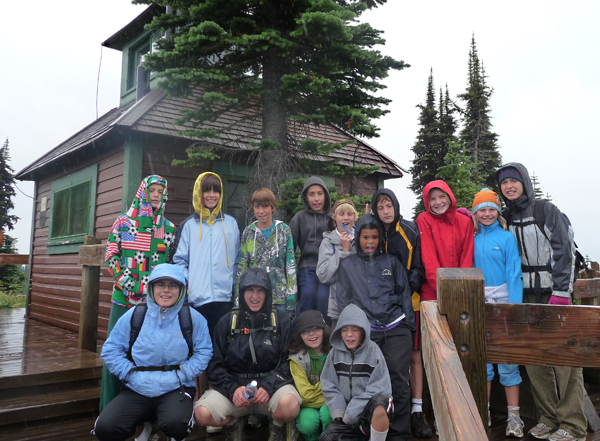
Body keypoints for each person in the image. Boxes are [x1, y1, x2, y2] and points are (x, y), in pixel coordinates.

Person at [496, 163, 586, 441]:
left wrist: (561, 291)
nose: (509, 186)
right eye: (504, 183)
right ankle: (548, 418)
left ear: (524, 182)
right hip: (524, 296)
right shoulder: (505, 217)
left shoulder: (545, 210)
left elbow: (565, 249)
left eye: (513, 181)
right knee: (534, 360)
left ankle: (572, 425)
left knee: (565, 361)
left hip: (552, 294)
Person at [94, 264, 213, 441]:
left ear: (181, 289)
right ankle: (142, 431)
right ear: (151, 288)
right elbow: (111, 350)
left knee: (176, 423)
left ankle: (175, 436)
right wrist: (129, 373)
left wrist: (186, 372)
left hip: (176, 385)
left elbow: (204, 351)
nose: (166, 290)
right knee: (106, 427)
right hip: (137, 385)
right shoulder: (136, 314)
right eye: (160, 285)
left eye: (173, 285)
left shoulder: (191, 317)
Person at [194, 267, 301, 441]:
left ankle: (277, 426)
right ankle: (233, 422)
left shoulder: (280, 321)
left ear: (267, 293)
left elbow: (289, 362)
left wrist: (268, 386)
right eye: (249, 290)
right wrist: (233, 389)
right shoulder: (227, 322)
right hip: (235, 392)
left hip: (270, 391)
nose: (255, 296)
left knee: (290, 405)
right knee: (201, 414)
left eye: (260, 291)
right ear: (242, 292)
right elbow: (215, 366)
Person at [100, 175, 178, 411]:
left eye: (159, 191)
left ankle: (142, 418)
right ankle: (108, 411)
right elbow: (112, 256)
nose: (155, 195)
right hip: (123, 302)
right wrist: (131, 285)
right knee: (116, 355)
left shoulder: (169, 230)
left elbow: (169, 266)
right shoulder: (124, 223)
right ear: (143, 191)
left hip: (154, 308)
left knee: (148, 358)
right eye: (152, 190)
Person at [336, 213, 415, 441]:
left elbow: (404, 295)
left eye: (374, 237)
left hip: (395, 327)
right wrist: (353, 331)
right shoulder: (348, 265)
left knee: (398, 379)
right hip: (367, 331)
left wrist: (408, 326)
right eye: (365, 237)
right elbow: (344, 300)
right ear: (357, 238)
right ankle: (367, 430)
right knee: (364, 381)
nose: (370, 242)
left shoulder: (391, 262)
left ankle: (399, 434)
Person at [173, 171, 240, 399]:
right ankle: (196, 396)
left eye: (216, 190)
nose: (211, 195)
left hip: (223, 298)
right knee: (197, 350)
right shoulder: (189, 226)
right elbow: (179, 260)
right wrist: (190, 285)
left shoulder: (230, 224)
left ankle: (217, 395)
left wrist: (234, 289)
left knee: (220, 349)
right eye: (207, 190)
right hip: (198, 299)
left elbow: (238, 259)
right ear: (199, 193)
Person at [371, 188, 431, 438]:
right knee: (385, 361)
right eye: (381, 207)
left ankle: (416, 412)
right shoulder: (371, 232)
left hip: (408, 304)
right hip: (378, 311)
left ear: (396, 206)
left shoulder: (409, 230)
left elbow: (418, 268)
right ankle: (383, 411)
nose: (386, 211)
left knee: (413, 357)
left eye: (389, 206)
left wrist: (401, 292)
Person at [471, 188, 524, 438]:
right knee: (483, 363)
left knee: (508, 362)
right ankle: (485, 412)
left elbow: (514, 273)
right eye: (482, 209)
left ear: (498, 212)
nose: (487, 213)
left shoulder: (506, 238)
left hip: (503, 306)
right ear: (475, 212)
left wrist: (514, 308)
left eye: (492, 208)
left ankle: (514, 416)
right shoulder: (471, 238)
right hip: (478, 305)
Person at [319, 304, 393, 441]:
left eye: (355, 330)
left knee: (379, 402)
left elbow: (381, 388)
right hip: (347, 416)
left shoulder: (373, 351)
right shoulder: (334, 353)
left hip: (367, 414)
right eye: (344, 330)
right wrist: (339, 409)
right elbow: (328, 384)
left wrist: (354, 409)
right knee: (326, 437)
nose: (349, 335)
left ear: (363, 331)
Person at [237, 187, 296, 316]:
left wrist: (291, 299)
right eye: (257, 207)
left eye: (265, 207)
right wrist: (238, 299)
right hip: (255, 299)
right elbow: (242, 267)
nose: (261, 211)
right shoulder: (248, 232)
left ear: (273, 207)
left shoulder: (284, 230)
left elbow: (290, 265)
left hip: (279, 298)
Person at [416, 180, 474, 301]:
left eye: (442, 196)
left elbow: (466, 259)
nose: (438, 202)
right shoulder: (424, 220)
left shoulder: (465, 222)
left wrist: (461, 288)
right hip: (433, 292)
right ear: (427, 202)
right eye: (432, 199)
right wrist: (443, 289)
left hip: (460, 291)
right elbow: (429, 259)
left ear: (449, 196)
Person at [290, 177, 332, 320]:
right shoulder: (299, 218)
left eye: (320, 193)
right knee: (308, 294)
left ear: (325, 195)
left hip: (328, 267)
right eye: (311, 194)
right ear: (306, 197)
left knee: (323, 297)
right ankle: (301, 333)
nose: (316, 199)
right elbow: (290, 247)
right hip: (308, 266)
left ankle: (325, 336)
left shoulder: (333, 218)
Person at [288, 310, 334, 441]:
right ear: (300, 335)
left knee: (328, 413)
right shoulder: (296, 357)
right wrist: (327, 389)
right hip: (307, 405)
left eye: (316, 328)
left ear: (324, 330)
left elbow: (340, 387)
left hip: (330, 402)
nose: (311, 334)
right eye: (305, 331)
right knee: (307, 422)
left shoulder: (335, 352)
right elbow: (305, 395)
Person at [316, 198, 358, 328]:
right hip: (337, 303)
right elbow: (323, 274)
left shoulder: (362, 238)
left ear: (355, 217)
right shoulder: (328, 242)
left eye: (349, 214)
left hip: (359, 300)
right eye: (341, 214)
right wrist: (344, 251)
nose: (346, 218)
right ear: (335, 218)